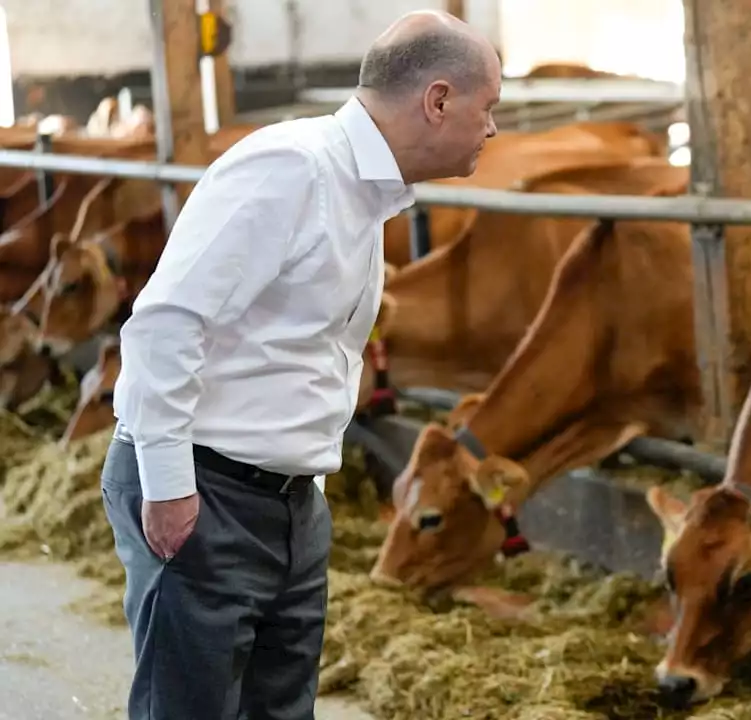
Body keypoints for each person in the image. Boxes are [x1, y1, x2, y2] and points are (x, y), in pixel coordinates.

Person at [100, 10, 500, 720]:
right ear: (437, 101)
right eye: (487, 108)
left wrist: (305, 489)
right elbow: (166, 325)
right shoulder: (292, 169)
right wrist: (166, 487)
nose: (492, 128)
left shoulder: (365, 191)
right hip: (205, 492)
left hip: (287, 503)